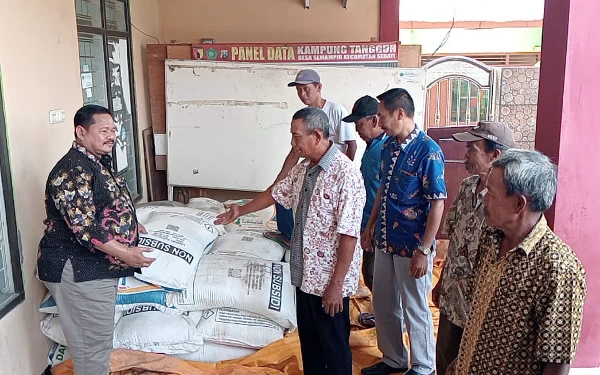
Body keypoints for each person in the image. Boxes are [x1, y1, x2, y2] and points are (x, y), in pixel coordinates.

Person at [216, 107, 366, 375]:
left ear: (317, 135)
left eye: (296, 137)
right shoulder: (304, 170)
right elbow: (276, 193)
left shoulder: (346, 176)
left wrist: (336, 286)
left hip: (328, 282)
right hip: (304, 275)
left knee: (334, 349)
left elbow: (349, 235)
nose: (292, 143)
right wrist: (241, 210)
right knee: (311, 345)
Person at [37, 105, 155, 375]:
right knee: (91, 350)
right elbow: (83, 227)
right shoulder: (72, 170)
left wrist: (132, 224)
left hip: (96, 268)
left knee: (97, 345)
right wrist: (126, 252)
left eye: (114, 130)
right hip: (78, 269)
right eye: (103, 130)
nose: (111, 135)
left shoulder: (96, 162)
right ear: (80, 132)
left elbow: (104, 205)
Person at [446, 149, 587, 375]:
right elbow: (478, 315)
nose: (484, 200)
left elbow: (556, 362)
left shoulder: (558, 268)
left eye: (491, 193)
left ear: (519, 204)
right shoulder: (491, 239)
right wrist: (462, 358)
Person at [361, 88, 447, 375]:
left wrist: (424, 250)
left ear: (400, 113)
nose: (380, 123)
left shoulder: (428, 151)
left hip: (413, 246)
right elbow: (382, 191)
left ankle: (423, 366)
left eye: (382, 116)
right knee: (384, 302)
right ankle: (394, 358)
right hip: (386, 240)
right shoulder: (387, 147)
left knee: (415, 307)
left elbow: (437, 204)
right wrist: (370, 225)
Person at [431, 121, 516, 375]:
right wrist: (442, 280)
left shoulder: (510, 202)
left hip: (481, 308)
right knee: (444, 361)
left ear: (495, 155)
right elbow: (456, 240)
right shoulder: (468, 186)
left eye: (472, 149)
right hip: (452, 298)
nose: (465, 155)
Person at [264, 69, 357, 249]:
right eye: (298, 90)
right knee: (282, 194)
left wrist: (343, 175)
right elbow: (294, 152)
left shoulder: (336, 110)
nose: (302, 94)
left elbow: (350, 145)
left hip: (332, 173)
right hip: (309, 169)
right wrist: (278, 180)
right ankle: (289, 236)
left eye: (306, 89)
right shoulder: (304, 116)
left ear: (319, 87)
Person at [342, 95, 388, 328]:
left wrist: (370, 227)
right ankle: (382, 315)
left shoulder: (385, 150)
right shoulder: (372, 148)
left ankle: (388, 320)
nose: (357, 131)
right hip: (368, 224)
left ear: (373, 120)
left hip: (379, 226)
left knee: (376, 275)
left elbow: (383, 193)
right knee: (371, 274)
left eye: (360, 125)